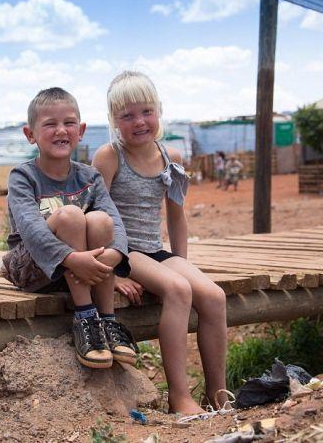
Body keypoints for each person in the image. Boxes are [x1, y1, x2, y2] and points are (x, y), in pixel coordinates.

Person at [92, 71, 228, 414]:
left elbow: (176, 217)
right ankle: (179, 397)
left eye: (146, 111)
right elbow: (94, 219)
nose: (139, 122)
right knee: (178, 291)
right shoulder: (109, 157)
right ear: (113, 120)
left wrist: (183, 264)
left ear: (159, 111)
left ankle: (218, 394)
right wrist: (116, 274)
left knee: (213, 296)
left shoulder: (172, 157)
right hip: (122, 251)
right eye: (127, 115)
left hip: (156, 250)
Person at [0, 87, 138, 369]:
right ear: (30, 134)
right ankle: (85, 317)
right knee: (71, 216)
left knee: (100, 220)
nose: (61, 131)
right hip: (34, 266)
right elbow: (31, 230)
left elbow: (116, 221)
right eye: (50, 124)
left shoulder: (90, 176)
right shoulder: (23, 177)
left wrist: (116, 255)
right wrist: (72, 258)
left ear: (81, 130)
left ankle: (107, 321)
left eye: (69, 123)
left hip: (81, 268)